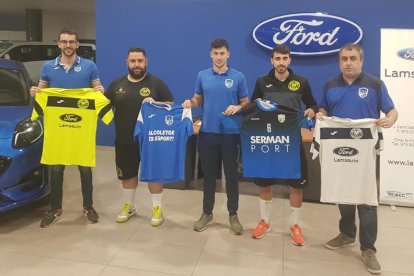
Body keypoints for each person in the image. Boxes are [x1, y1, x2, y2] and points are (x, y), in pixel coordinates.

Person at [316, 43, 398, 274]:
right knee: (343, 193)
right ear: (339, 61)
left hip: (365, 152)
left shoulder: (375, 84)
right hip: (339, 150)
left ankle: (369, 248)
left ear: (361, 60)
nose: (348, 63)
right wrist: (320, 115)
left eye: (353, 58)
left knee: (367, 199)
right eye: (344, 59)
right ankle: (347, 234)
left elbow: (392, 111)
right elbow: (324, 109)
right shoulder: (330, 85)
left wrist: (391, 118)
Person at [30, 30, 105, 228]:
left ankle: (88, 206)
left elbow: (97, 87)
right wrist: (36, 93)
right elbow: (43, 91)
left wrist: (99, 90)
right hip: (58, 128)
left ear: (78, 44)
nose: (68, 45)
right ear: (58, 44)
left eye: (71, 41)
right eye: (64, 42)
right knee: (56, 169)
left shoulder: (89, 66)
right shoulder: (48, 67)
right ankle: (55, 209)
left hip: (81, 128)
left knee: (85, 168)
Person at [249, 44, 317, 245]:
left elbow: (313, 103)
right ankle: (264, 222)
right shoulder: (262, 82)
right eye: (277, 59)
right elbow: (254, 106)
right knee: (265, 183)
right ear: (272, 60)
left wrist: (312, 111)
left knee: (295, 185)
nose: (281, 63)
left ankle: (295, 226)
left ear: (290, 60)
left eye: (285, 58)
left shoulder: (301, 82)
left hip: (292, 141)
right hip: (268, 141)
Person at [182, 38, 249, 235]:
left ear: (228, 54)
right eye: (215, 53)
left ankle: (233, 215)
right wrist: (190, 102)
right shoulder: (202, 75)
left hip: (230, 135)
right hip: (207, 133)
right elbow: (197, 98)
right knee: (209, 177)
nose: (219, 57)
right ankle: (207, 213)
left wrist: (238, 106)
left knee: (231, 177)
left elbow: (246, 102)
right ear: (210, 54)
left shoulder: (238, 77)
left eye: (222, 53)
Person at [105, 47, 174, 226]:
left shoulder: (157, 84)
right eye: (133, 61)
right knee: (127, 174)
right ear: (126, 62)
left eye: (140, 61)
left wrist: (156, 102)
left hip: (151, 141)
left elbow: (170, 105)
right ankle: (129, 205)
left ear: (146, 63)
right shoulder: (116, 85)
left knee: (154, 175)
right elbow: (103, 106)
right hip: (125, 140)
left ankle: (157, 208)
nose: (137, 65)